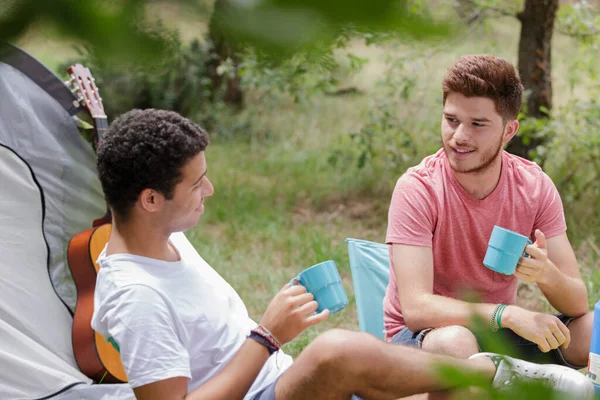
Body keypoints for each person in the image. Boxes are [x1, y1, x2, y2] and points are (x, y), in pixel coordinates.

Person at [91, 108, 593, 400]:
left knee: (434, 382)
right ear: (151, 200)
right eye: (197, 184)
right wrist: (266, 337)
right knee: (337, 350)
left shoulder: (164, 238)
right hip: (262, 390)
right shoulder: (137, 296)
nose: (212, 189)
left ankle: (515, 381)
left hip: (281, 378)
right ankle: (502, 372)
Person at [384, 54, 594, 398]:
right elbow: (416, 310)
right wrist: (507, 314)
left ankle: (506, 380)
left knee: (592, 330)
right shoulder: (418, 188)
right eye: (451, 119)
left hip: (499, 336)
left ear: (509, 130)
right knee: (455, 342)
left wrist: (545, 275)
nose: (459, 136)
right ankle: (513, 385)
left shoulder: (534, 186)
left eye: (478, 124)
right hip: (427, 338)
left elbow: (577, 303)